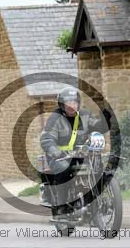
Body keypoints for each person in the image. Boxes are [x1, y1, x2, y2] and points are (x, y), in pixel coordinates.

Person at [39, 87, 112, 218]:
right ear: (62, 105)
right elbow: (46, 139)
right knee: (64, 169)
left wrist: (105, 119)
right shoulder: (55, 118)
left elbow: (97, 127)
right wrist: (57, 152)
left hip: (80, 154)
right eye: (68, 103)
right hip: (59, 157)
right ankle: (62, 206)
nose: (71, 106)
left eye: (74, 102)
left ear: (78, 103)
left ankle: (94, 201)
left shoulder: (84, 115)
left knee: (96, 168)